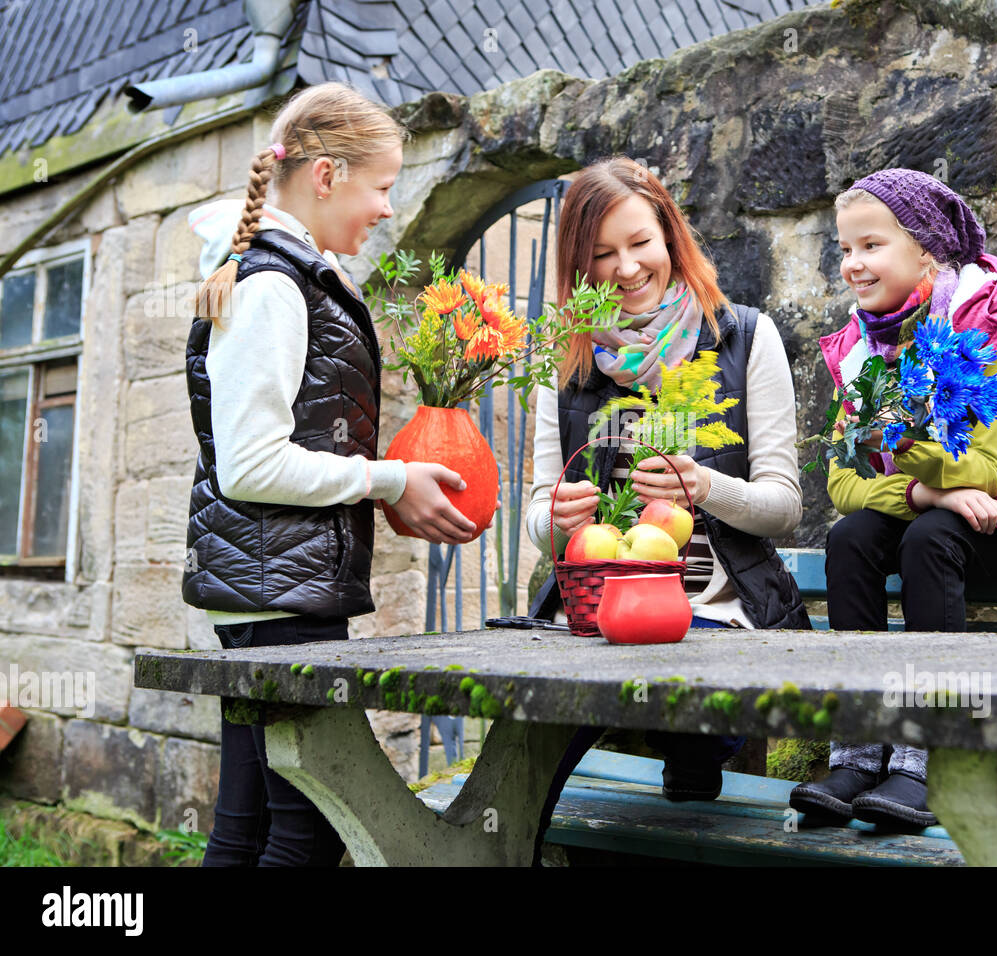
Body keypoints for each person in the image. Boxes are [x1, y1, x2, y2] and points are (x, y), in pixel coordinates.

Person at [184, 82, 477, 866]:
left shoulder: (283, 274)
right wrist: (389, 480)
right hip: (282, 598)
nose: (386, 208)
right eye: (381, 186)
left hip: (275, 589)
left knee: (245, 832)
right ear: (325, 176)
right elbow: (251, 466)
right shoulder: (275, 286)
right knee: (307, 835)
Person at [788, 168, 997, 829]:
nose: (852, 264)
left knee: (928, 539)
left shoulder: (994, 327)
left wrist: (896, 445)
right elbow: (843, 485)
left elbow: (986, 469)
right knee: (849, 541)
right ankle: (860, 745)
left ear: (926, 248)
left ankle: (932, 755)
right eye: (844, 249)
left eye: (870, 246)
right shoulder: (862, 349)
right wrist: (924, 489)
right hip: (941, 502)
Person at [525, 157, 810, 849]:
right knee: (529, 761)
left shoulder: (744, 336)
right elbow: (539, 516)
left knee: (689, 730)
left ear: (669, 237)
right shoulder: (567, 361)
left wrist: (706, 486)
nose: (625, 268)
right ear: (578, 269)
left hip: (713, 613)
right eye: (601, 256)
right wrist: (555, 517)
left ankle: (689, 782)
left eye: (638, 243)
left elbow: (785, 507)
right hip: (593, 619)